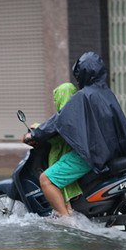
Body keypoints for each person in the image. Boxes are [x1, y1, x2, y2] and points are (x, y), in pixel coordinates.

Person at [24, 52, 126, 217]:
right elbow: (125, 129)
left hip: (92, 155)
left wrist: (35, 134)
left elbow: (58, 121)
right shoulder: (107, 95)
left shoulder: (82, 97)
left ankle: (66, 221)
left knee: (46, 180)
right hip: (112, 154)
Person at [31, 82, 83, 211]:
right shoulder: (80, 114)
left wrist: (37, 130)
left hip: (76, 157)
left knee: (47, 180)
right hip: (87, 156)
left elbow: (52, 131)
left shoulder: (65, 116)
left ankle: (65, 217)